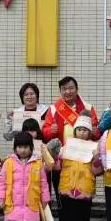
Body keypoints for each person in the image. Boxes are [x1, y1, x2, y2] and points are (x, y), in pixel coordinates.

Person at [43, 76, 100, 208]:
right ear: (60, 91)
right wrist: (51, 130)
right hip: (62, 160)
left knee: (83, 196)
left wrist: (94, 131)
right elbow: (45, 132)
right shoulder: (54, 108)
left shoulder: (87, 107)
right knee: (63, 197)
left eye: (71, 88)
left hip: (84, 161)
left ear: (77, 89)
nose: (68, 91)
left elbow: (96, 132)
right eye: (64, 89)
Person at [0, 132, 51, 221]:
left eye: (26, 147)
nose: (23, 150)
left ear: (31, 148)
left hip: (31, 204)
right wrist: (1, 197)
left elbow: (43, 183)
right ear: (15, 148)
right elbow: (2, 182)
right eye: (20, 147)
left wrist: (45, 199)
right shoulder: (8, 163)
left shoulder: (38, 163)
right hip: (13, 204)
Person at [54, 112, 98, 221]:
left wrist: (97, 158)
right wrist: (54, 154)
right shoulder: (67, 146)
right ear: (74, 131)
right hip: (67, 187)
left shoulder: (94, 148)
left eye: (85, 130)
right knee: (67, 218)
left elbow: (97, 170)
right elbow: (56, 166)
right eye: (79, 129)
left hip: (85, 189)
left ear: (89, 132)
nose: (82, 133)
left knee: (83, 219)